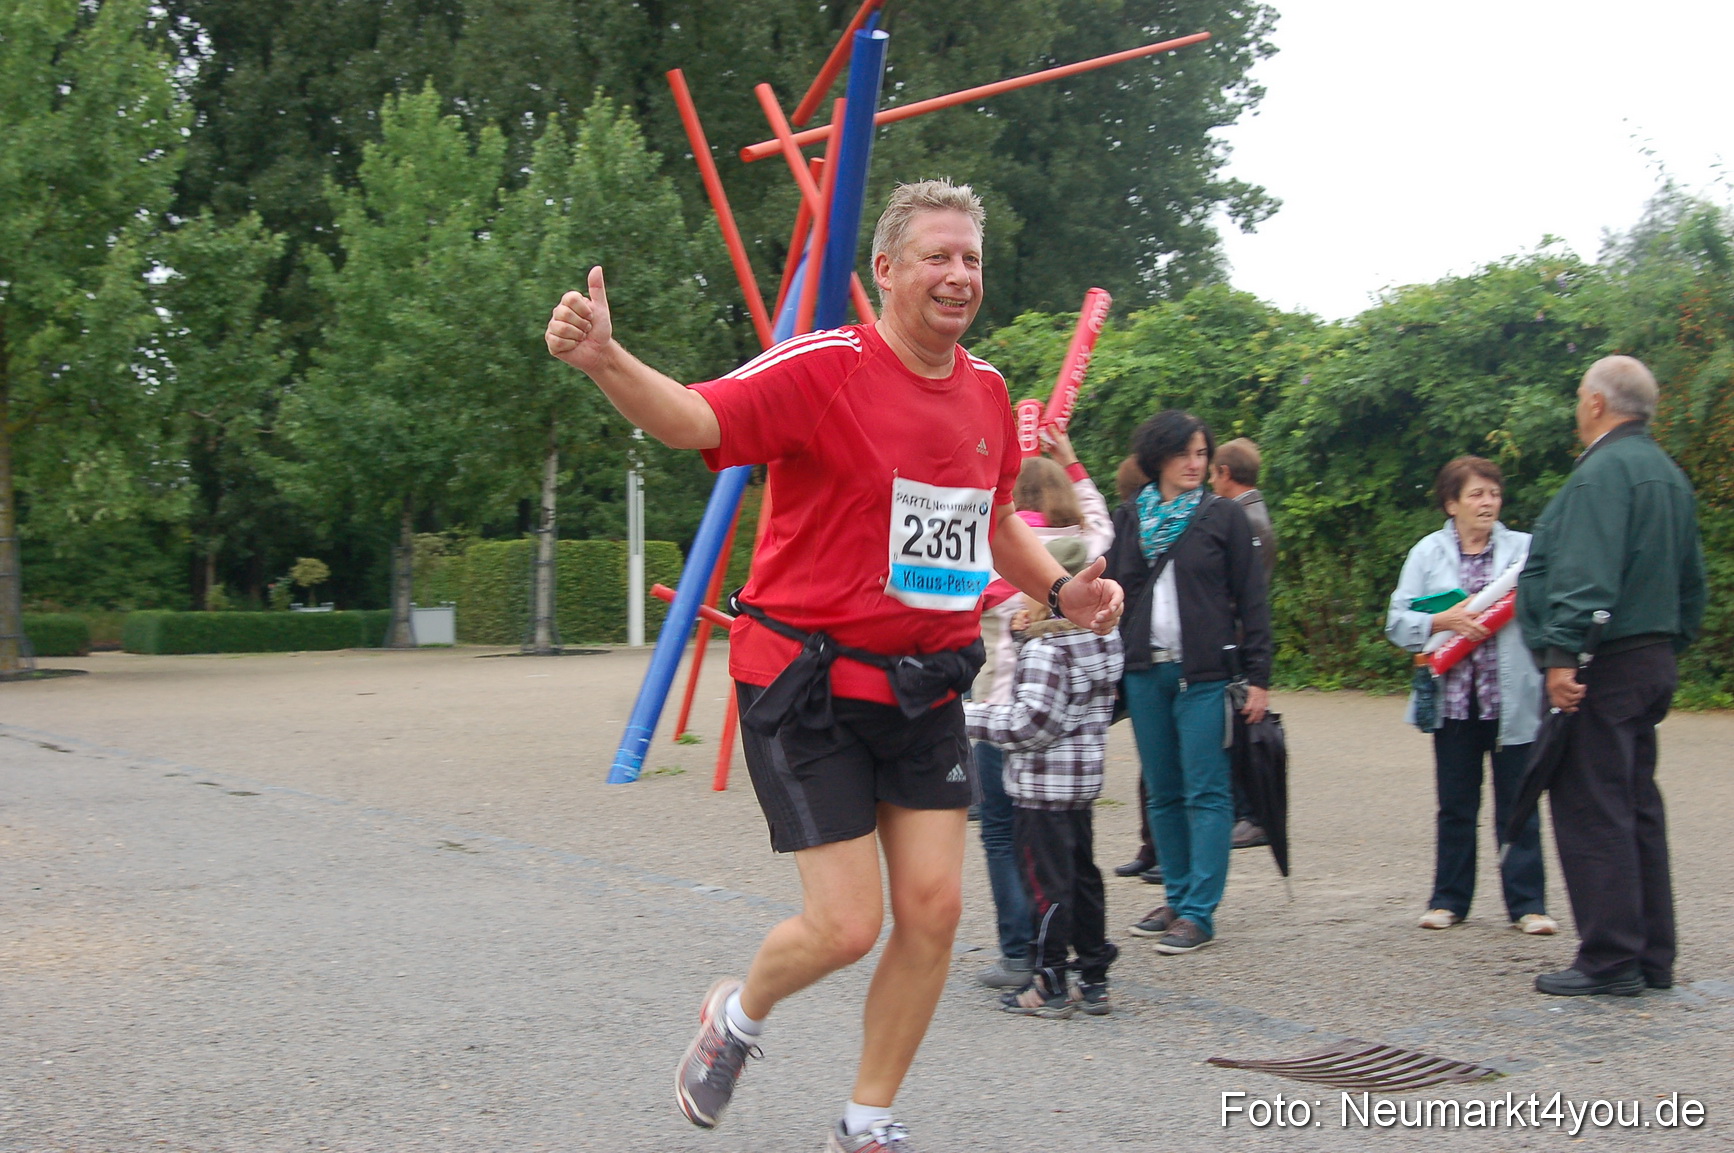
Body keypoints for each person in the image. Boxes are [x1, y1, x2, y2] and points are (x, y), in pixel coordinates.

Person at [544, 179, 1124, 1151]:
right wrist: (606, 358)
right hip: (806, 682)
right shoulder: (826, 366)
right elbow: (695, 419)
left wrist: (1063, 591)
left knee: (935, 912)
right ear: (886, 270)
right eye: (938, 256)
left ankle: (865, 1122)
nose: (959, 275)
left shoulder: (985, 391)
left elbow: (989, 523)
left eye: (972, 258)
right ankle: (736, 1016)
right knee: (848, 925)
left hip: (925, 683)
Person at [1517, 355, 1705, 997]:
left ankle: (1609, 958)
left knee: (1592, 805)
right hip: (1650, 654)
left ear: (1596, 403)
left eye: (1579, 396)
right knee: (1635, 803)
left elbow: (1585, 574)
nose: (1578, 407)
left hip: (1603, 658)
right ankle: (1652, 955)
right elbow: (1692, 583)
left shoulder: (1602, 472)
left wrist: (1562, 654)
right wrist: (1670, 642)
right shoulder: (1668, 474)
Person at [1105, 410, 1271, 954]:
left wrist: (1259, 677)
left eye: (1202, 454)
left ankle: (1200, 911)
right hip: (1145, 671)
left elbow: (1252, 599)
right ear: (1157, 458)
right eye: (1183, 454)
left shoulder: (1224, 517)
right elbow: (1117, 590)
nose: (1195, 463)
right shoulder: (1131, 517)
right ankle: (1176, 898)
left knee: (1207, 790)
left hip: (1203, 674)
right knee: (1163, 791)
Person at [1386, 456, 1555, 936]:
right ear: (1451, 503)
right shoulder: (1427, 553)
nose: (1488, 503)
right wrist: (1444, 621)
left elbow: (1547, 608)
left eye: (1494, 493)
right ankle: (1449, 900)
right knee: (1456, 807)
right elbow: (1397, 622)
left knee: (1519, 805)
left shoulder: (1525, 550)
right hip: (1454, 703)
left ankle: (1528, 905)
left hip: (1513, 702)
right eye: (1477, 494)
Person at [970, 432, 1113, 991]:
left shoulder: (995, 554)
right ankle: (1076, 955)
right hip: (1074, 731)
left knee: (1003, 836)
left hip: (1000, 712)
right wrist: (1070, 460)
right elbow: (1101, 518)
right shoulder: (1086, 550)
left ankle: (1021, 952)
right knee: (1068, 851)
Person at [1208, 437, 1277, 850]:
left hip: (1234, 638)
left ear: (1225, 473)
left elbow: (1242, 589)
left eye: (1213, 472)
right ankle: (1247, 811)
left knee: (1241, 727)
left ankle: (1252, 813)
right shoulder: (1253, 514)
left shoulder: (1244, 519)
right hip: (1237, 635)